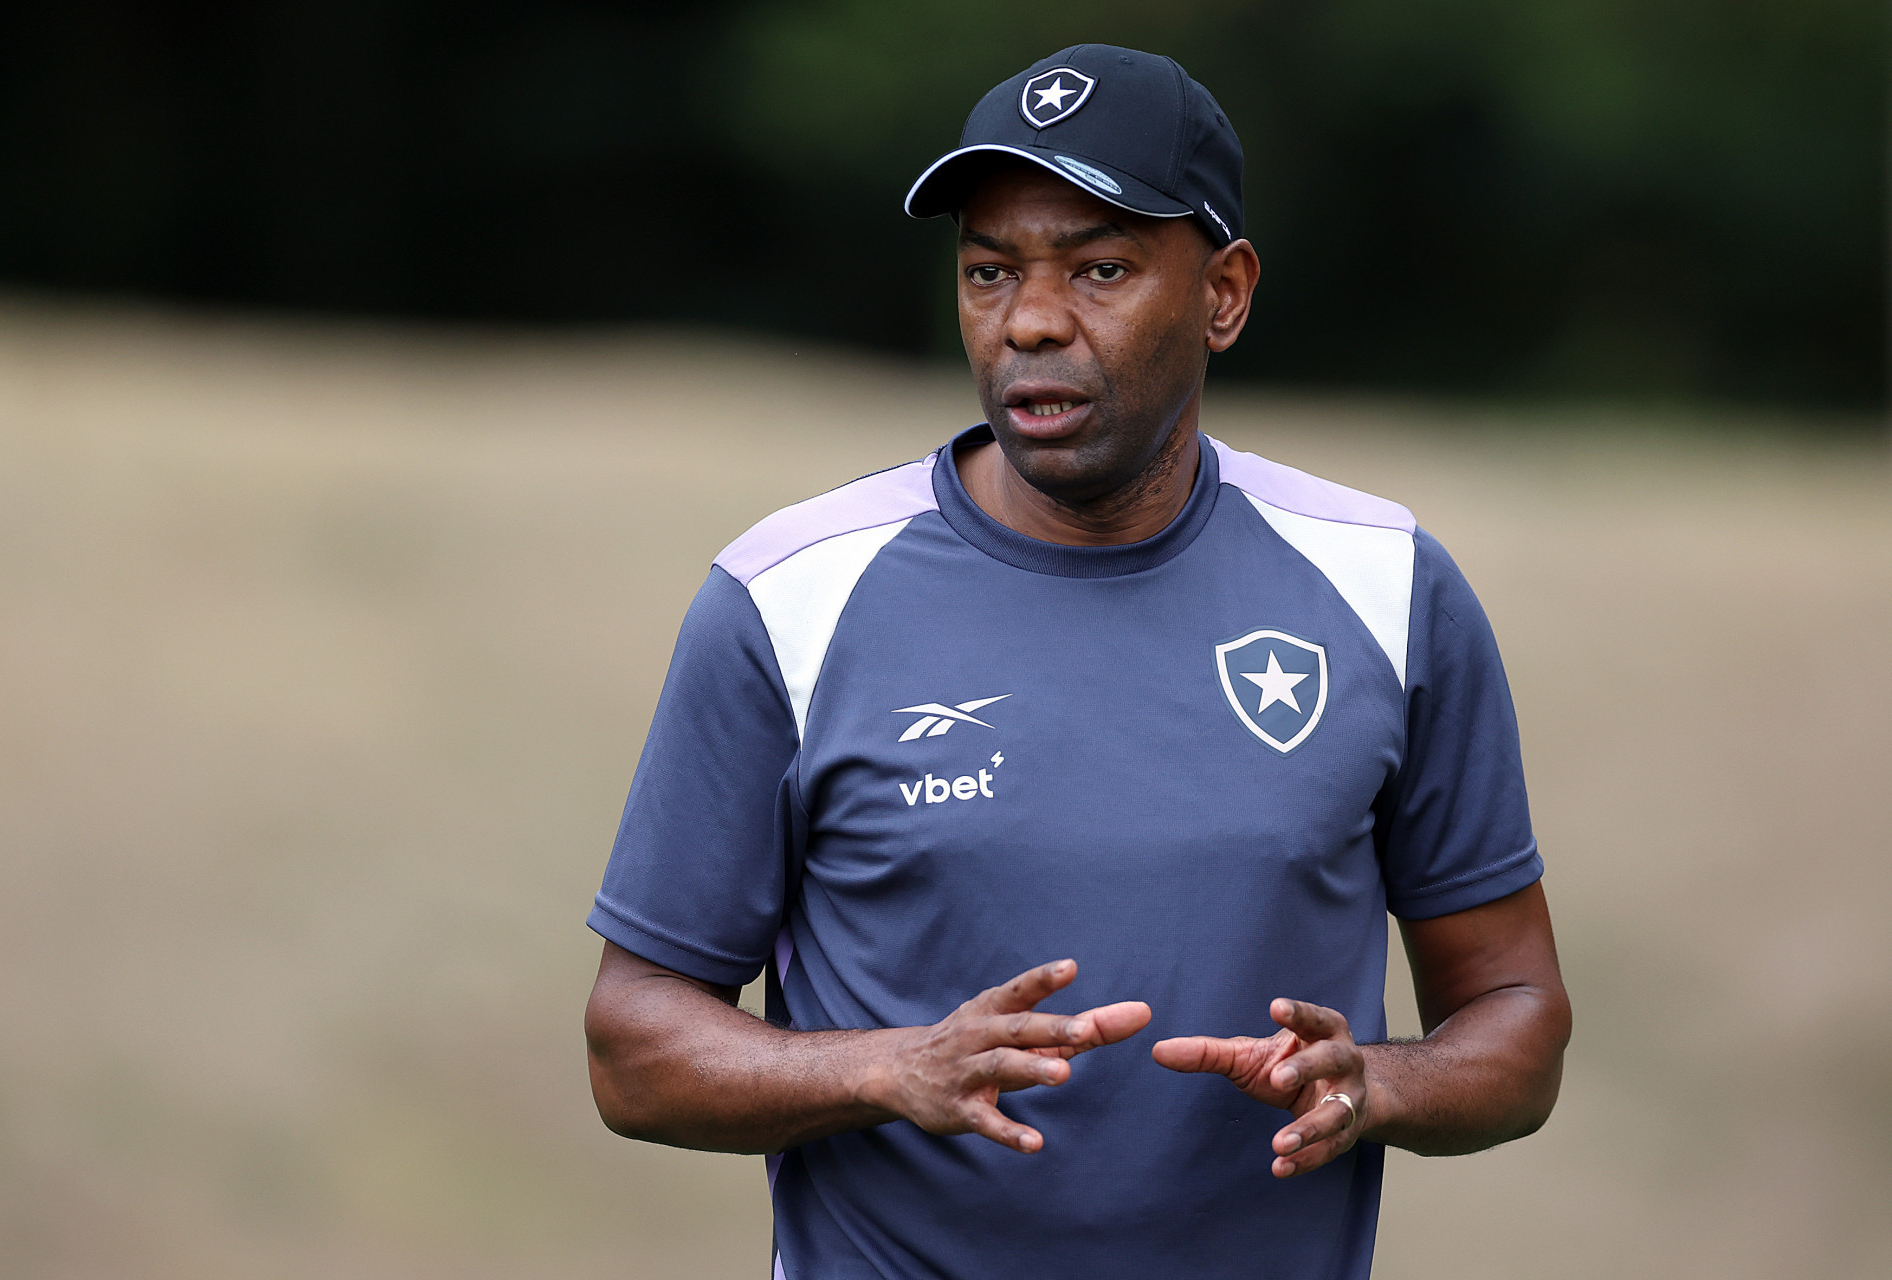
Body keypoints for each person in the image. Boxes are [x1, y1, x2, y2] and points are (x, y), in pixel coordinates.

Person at [583, 44, 1571, 1279]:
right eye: (989, 270)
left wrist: (1377, 1082)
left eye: (1099, 269)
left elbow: (1519, 1020)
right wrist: (890, 1067)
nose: (1030, 320)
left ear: (1224, 294)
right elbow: (631, 1047)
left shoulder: (1386, 589)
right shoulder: (788, 599)